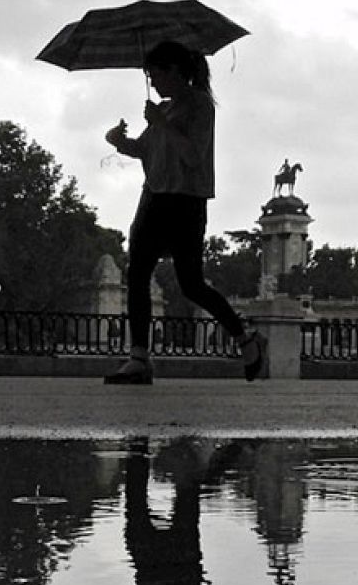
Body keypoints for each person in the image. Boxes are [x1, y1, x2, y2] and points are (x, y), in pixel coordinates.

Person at [102, 40, 267, 385]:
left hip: (185, 202)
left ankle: (244, 338)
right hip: (154, 198)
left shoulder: (199, 106)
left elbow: (193, 155)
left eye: (156, 73)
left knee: (191, 284)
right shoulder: (167, 108)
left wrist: (161, 123)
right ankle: (139, 357)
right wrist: (118, 141)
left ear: (175, 71)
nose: (154, 81)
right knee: (137, 275)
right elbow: (145, 150)